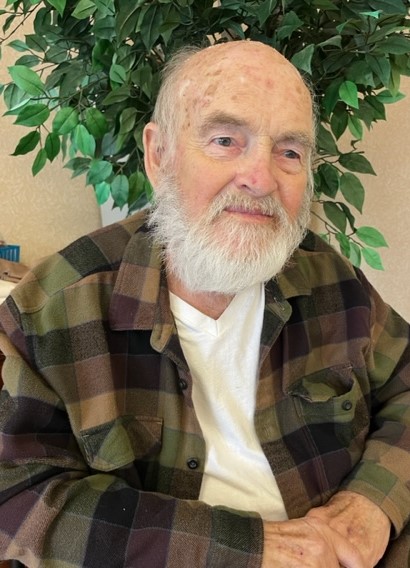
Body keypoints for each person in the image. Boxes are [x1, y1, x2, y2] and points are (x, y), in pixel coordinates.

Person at [0, 40, 409, 568]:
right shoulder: (49, 311)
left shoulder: (330, 278)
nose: (260, 179)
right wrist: (249, 549)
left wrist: (371, 504)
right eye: (225, 140)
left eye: (289, 152)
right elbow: (15, 495)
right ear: (159, 155)